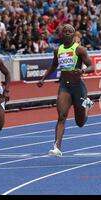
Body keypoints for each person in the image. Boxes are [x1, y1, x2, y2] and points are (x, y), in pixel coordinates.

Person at [37, 24, 95, 157]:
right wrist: (43, 78)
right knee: (61, 116)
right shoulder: (57, 51)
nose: (67, 33)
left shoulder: (79, 49)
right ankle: (57, 147)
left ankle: (87, 106)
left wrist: (83, 70)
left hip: (78, 86)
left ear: (74, 35)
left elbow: (92, 66)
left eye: (70, 31)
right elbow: (53, 66)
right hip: (64, 86)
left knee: (80, 122)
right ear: (61, 34)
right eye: (65, 31)